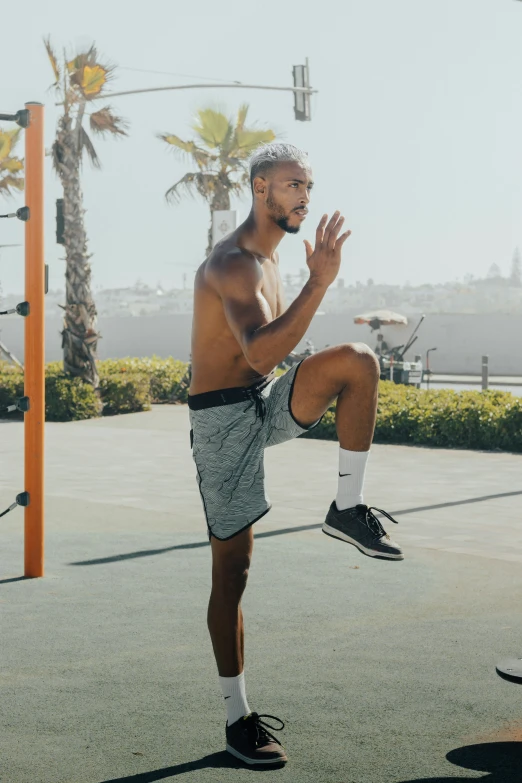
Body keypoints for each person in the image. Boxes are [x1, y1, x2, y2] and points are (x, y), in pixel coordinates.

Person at [187, 143, 403, 767]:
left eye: (307, 184)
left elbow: (268, 366)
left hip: (263, 399)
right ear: (260, 189)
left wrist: (312, 282)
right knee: (234, 571)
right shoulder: (233, 264)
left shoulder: (275, 259)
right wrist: (320, 282)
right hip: (223, 421)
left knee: (358, 362)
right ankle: (237, 719)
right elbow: (257, 352)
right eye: (290, 185)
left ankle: (348, 506)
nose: (304, 195)